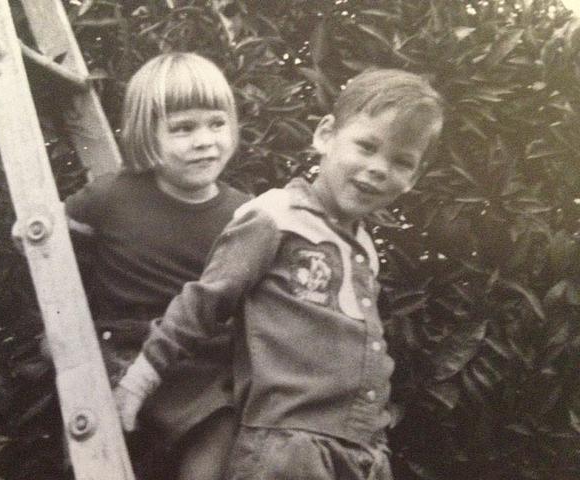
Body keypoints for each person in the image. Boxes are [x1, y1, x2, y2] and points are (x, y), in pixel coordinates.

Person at [115, 67, 444, 479]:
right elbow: (204, 301)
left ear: (413, 178)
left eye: (401, 161)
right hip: (290, 445)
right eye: (366, 146)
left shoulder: (362, 249)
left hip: (362, 450)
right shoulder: (274, 216)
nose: (379, 167)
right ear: (325, 135)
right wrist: (141, 379)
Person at [64, 52, 250, 479]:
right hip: (122, 349)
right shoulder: (112, 195)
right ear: (148, 135)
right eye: (183, 128)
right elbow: (49, 235)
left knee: (223, 422)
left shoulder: (245, 214)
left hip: (201, 362)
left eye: (217, 123)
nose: (205, 140)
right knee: (96, 440)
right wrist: (33, 230)